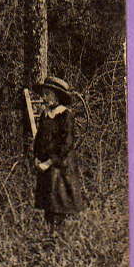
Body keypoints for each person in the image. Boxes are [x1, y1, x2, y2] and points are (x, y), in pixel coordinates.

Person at [32, 76, 85, 234]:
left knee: (58, 207)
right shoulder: (45, 115)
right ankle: (49, 239)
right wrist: (36, 157)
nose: (44, 98)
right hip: (45, 168)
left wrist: (49, 162)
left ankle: (59, 241)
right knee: (48, 207)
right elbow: (39, 139)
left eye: (47, 94)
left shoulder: (65, 115)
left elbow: (66, 144)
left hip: (60, 168)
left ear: (57, 96)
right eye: (43, 94)